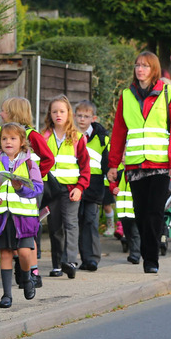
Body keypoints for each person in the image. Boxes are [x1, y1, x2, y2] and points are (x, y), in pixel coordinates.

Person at [107, 51, 171, 272]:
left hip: (160, 164)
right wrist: (113, 164)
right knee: (140, 213)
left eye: (145, 66)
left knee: (154, 212)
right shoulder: (127, 95)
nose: (140, 69)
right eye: (137, 65)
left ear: (154, 70)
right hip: (135, 164)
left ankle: (151, 260)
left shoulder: (168, 93)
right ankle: (147, 250)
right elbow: (119, 132)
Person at [0, 96, 55, 288]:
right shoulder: (6, 134)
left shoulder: (31, 135)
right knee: (14, 230)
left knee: (29, 230)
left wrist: (35, 176)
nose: (1, 113)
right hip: (10, 190)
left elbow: (49, 158)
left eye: (4, 110)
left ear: (14, 112)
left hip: (30, 189)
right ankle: (22, 267)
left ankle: (33, 271)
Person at [0, 123, 43, 308]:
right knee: (5, 253)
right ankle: (6, 295)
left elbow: (38, 188)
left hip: (24, 217)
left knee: (23, 252)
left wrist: (20, 188)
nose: (8, 142)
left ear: (22, 142)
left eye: (13, 138)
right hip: (2, 216)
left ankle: (27, 278)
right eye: (4, 138)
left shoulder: (30, 162)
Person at [41, 94, 90, 279]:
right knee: (54, 227)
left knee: (71, 224)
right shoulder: (44, 137)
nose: (58, 115)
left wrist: (80, 187)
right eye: (55, 111)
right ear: (50, 114)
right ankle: (56, 264)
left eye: (62, 111)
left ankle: (70, 261)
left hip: (71, 189)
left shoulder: (77, 137)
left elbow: (85, 167)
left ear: (68, 113)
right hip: (50, 189)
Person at [74, 100, 109, 271]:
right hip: (74, 185)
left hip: (94, 187)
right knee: (74, 223)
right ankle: (75, 258)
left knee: (90, 222)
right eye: (79, 115)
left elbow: (107, 164)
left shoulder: (102, 138)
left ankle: (92, 258)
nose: (82, 119)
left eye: (86, 116)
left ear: (93, 118)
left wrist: (109, 186)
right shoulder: (70, 136)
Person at [110, 161, 141, 263]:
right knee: (128, 233)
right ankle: (133, 252)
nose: (124, 159)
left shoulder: (138, 173)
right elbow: (112, 184)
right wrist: (114, 189)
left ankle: (135, 255)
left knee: (135, 232)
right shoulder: (120, 173)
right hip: (123, 211)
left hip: (134, 210)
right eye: (123, 156)